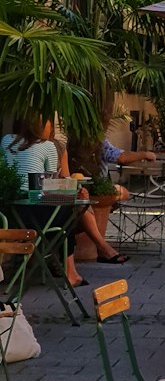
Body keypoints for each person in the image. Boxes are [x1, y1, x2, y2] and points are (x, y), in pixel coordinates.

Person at [1, 119, 129, 280]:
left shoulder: (6, 140)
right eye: (49, 123)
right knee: (67, 212)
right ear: (41, 126)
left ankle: (81, 259)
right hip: (35, 214)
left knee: (68, 208)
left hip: (9, 215)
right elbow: (50, 183)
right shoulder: (48, 146)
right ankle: (71, 271)